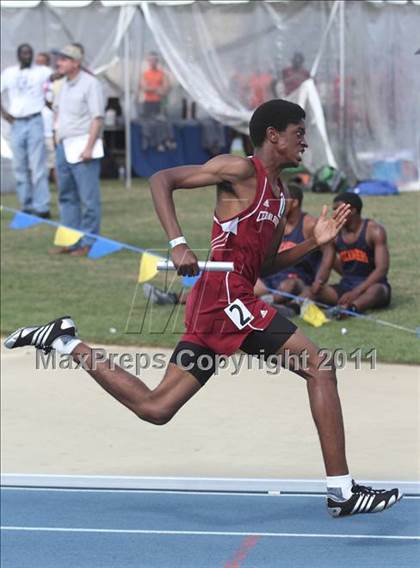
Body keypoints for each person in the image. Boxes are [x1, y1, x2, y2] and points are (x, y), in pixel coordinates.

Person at [4, 99, 401, 517]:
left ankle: (65, 341)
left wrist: (312, 244)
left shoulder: (280, 196)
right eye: (299, 132)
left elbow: (264, 264)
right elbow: (161, 179)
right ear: (273, 135)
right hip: (227, 298)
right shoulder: (239, 170)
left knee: (156, 408)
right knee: (318, 366)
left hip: (222, 301)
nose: (305, 141)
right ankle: (341, 490)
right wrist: (177, 243)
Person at [49, 44, 105, 257]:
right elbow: (58, 114)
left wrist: (89, 147)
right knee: (66, 196)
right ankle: (71, 241)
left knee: (88, 198)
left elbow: (97, 118)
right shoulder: (62, 85)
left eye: (63, 59)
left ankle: (89, 242)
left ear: (76, 63)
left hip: (83, 145)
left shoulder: (91, 84)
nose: (59, 63)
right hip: (64, 145)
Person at [254, 182, 332, 311]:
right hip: (271, 277)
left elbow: (329, 253)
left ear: (295, 202)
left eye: (282, 200)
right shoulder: (275, 222)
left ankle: (268, 304)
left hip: (298, 279)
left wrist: (319, 281)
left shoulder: (309, 224)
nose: (278, 204)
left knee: (290, 284)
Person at [313, 192, 392, 313]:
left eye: (338, 209)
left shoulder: (374, 231)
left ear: (353, 210)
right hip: (347, 285)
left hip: (372, 285)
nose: (335, 214)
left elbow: (382, 268)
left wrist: (357, 291)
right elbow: (326, 263)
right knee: (314, 291)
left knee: (377, 291)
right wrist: (319, 281)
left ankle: (350, 309)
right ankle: (293, 307)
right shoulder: (335, 233)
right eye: (334, 210)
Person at [0, 43, 51, 217]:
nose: (27, 55)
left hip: (35, 119)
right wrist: (5, 115)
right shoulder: (9, 73)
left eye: (29, 53)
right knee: (19, 166)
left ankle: (42, 206)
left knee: (38, 165)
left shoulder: (42, 71)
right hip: (17, 123)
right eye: (23, 53)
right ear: (18, 55)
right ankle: (26, 205)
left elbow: (55, 85)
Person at [35, 52, 56, 183]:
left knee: (53, 161)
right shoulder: (32, 79)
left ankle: (61, 189)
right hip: (36, 127)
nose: (39, 65)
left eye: (42, 62)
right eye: (37, 62)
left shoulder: (53, 80)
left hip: (50, 128)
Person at [139, 52, 169, 117]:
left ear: (157, 61)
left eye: (154, 60)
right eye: (150, 60)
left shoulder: (162, 74)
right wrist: (158, 88)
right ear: (148, 61)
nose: (152, 62)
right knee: (148, 122)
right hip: (148, 103)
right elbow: (144, 88)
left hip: (159, 103)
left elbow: (165, 90)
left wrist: (150, 87)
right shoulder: (145, 74)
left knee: (160, 123)